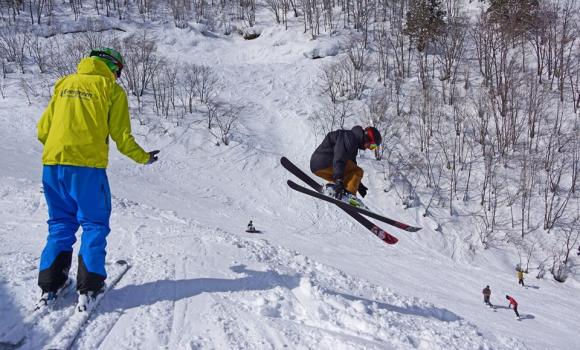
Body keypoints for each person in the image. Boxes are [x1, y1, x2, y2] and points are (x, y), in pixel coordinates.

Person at [36, 47, 159, 312]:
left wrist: (61, 149)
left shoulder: (64, 83)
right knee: (93, 223)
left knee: (60, 223)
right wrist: (144, 157)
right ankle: (90, 285)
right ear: (111, 67)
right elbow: (122, 137)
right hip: (86, 168)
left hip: (52, 165)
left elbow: (43, 129)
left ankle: (50, 284)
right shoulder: (111, 90)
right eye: (118, 71)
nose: (118, 77)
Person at [309, 126, 382, 208]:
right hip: (325, 161)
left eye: (373, 148)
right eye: (372, 146)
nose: (369, 148)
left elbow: (351, 166)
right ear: (367, 137)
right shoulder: (349, 137)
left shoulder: (353, 142)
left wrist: (358, 185)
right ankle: (349, 196)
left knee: (347, 176)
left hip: (318, 166)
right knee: (358, 171)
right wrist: (339, 180)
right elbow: (339, 157)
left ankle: (331, 189)